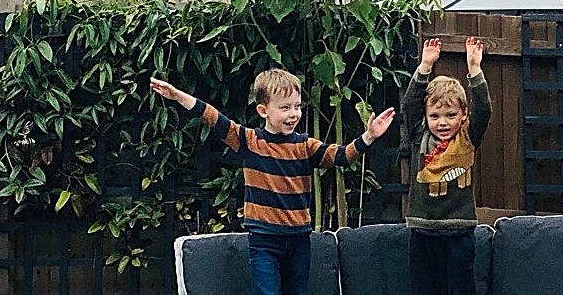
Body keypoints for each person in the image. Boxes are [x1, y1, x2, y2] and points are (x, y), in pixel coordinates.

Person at [150, 69, 395, 295]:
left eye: (297, 106)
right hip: (264, 239)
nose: (294, 114)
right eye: (285, 108)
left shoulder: (305, 145)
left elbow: (341, 156)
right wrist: (177, 95)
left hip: (299, 239)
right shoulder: (248, 141)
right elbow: (213, 117)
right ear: (263, 110)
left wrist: (369, 136)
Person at [402, 36, 490, 295]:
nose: (443, 122)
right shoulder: (420, 137)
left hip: (458, 232)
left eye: (451, 115)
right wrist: (424, 67)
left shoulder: (468, 137)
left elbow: (484, 109)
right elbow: (409, 106)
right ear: (426, 116)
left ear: (463, 115)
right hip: (422, 230)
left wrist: (474, 69)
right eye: (435, 116)